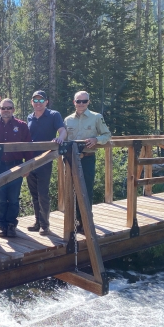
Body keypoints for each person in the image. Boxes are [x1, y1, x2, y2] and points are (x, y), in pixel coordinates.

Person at [64, 91, 111, 231]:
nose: (81, 104)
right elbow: (64, 140)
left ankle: (86, 222)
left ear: (88, 102)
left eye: (84, 101)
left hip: (87, 158)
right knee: (71, 191)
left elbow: (107, 134)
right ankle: (76, 221)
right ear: (74, 102)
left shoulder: (96, 117)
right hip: (71, 159)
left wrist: (96, 140)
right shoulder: (67, 120)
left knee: (86, 191)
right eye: (78, 101)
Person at [26, 90, 67, 235]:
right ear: (32, 102)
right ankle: (37, 222)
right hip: (30, 160)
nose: (38, 103)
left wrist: (60, 138)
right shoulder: (29, 117)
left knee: (43, 193)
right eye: (35, 101)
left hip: (45, 160)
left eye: (41, 100)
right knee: (34, 194)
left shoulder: (54, 115)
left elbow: (62, 130)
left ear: (46, 102)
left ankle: (45, 225)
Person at [0, 98, 33, 238]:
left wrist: (27, 166)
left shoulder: (22, 126)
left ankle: (11, 225)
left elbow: (28, 147)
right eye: (3, 108)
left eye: (9, 108)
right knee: (1, 198)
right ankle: (2, 225)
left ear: (13, 110)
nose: (6, 111)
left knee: (14, 198)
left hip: (16, 164)